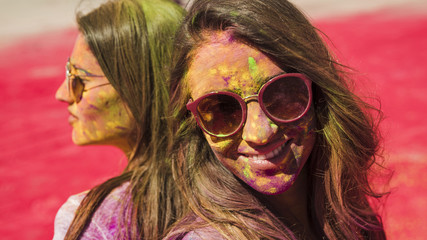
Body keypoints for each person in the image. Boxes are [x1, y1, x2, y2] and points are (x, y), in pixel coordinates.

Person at [166, 0, 388, 239]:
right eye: (222, 109)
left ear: (318, 91)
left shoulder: (351, 214)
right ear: (194, 121)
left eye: (281, 94)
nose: (259, 134)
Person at [54, 0, 184, 239]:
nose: (62, 93)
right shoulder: (239, 188)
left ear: (138, 88)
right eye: (67, 73)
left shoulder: (91, 222)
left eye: (78, 78)